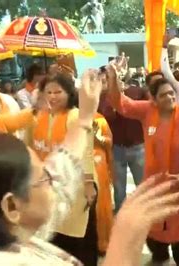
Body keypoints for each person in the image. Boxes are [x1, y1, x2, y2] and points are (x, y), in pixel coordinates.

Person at [0, 71, 179, 265]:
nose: (53, 179)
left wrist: (85, 119)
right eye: (43, 177)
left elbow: (63, 164)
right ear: (11, 207)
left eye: (58, 91)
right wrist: (123, 247)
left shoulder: (5, 233)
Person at [108, 60, 179, 265]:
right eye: (163, 95)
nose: (170, 97)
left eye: (171, 93)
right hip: (153, 185)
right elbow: (121, 104)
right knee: (155, 236)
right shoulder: (147, 111)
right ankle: (159, 257)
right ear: (153, 99)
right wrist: (114, 78)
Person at [25, 72, 98, 265]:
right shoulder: (38, 116)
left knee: (77, 234)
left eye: (58, 92)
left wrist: (89, 182)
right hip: (46, 185)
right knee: (53, 232)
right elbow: (29, 145)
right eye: (48, 92)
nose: (53, 97)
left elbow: (86, 150)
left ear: (69, 93)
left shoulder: (74, 116)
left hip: (76, 184)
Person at [98, 69, 152, 212]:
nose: (107, 84)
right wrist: (113, 98)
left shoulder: (136, 92)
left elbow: (149, 110)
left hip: (138, 146)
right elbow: (108, 116)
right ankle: (120, 219)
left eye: (109, 80)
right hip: (117, 148)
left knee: (142, 185)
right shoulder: (102, 98)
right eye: (104, 81)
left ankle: (145, 215)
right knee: (119, 190)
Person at [92, 113, 114, 254]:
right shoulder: (71, 116)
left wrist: (99, 138)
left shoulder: (99, 119)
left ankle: (102, 242)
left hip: (98, 162)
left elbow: (109, 141)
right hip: (77, 162)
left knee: (101, 202)